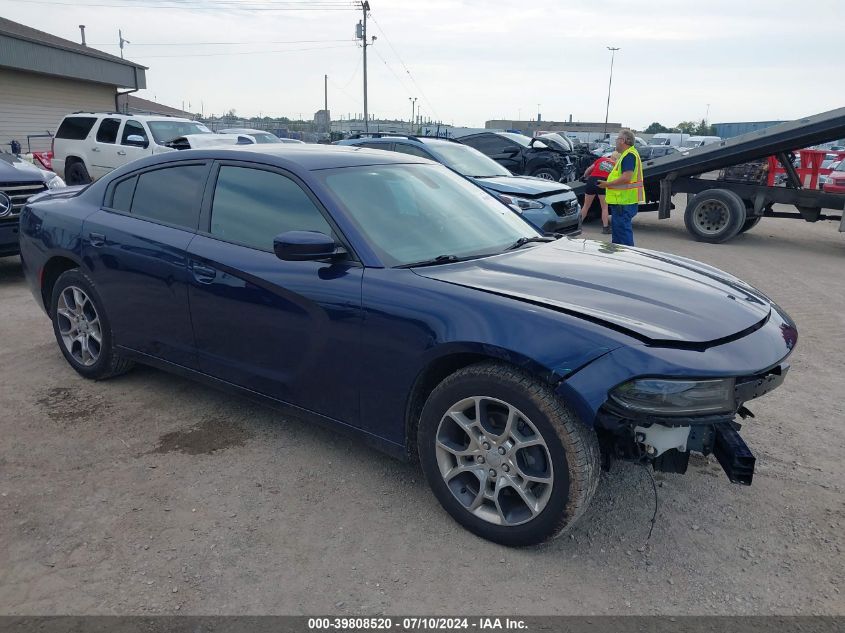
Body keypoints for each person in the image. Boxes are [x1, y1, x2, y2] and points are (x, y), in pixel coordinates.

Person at [598, 128, 644, 246]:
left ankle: (626, 259)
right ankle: (619, 257)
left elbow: (626, 177)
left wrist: (607, 184)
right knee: (619, 234)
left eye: (617, 139)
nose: (615, 141)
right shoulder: (627, 155)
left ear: (623, 140)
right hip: (622, 202)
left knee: (623, 235)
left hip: (623, 203)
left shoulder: (629, 155)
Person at [580, 151, 618, 234]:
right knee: (604, 207)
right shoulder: (616, 166)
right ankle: (605, 228)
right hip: (603, 182)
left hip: (592, 180)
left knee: (586, 206)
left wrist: (584, 176)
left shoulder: (601, 159)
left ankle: (578, 226)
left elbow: (589, 170)